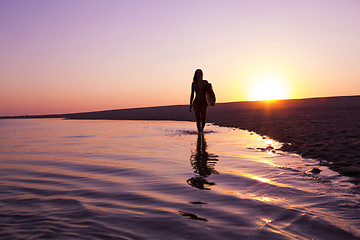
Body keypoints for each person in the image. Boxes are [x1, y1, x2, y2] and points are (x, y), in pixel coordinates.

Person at [189, 69, 208, 134]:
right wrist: (190, 104)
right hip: (196, 103)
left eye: (200, 73)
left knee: (203, 119)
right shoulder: (194, 84)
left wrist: (211, 101)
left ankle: (202, 130)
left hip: (204, 103)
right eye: (197, 73)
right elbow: (192, 94)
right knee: (198, 119)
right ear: (196, 75)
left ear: (202, 74)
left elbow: (209, 92)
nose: (199, 75)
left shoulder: (205, 82)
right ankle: (200, 132)